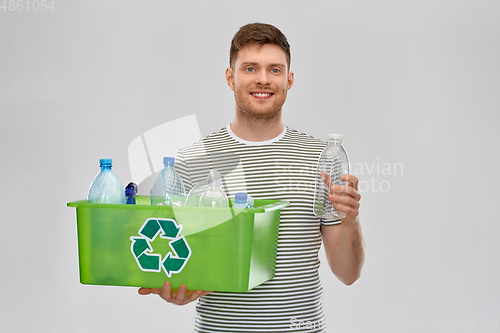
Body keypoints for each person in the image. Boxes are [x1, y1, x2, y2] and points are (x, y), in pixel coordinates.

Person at [139, 22, 366, 332]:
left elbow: (347, 274)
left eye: (275, 70)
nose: (263, 79)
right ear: (231, 78)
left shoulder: (321, 159)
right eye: (250, 68)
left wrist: (351, 221)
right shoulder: (192, 160)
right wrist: (179, 287)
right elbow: (183, 259)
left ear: (290, 79)